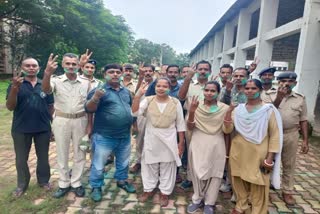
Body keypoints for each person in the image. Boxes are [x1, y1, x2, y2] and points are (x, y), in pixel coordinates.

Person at [223, 79, 282, 214]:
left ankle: (258, 210)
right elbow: (227, 130)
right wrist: (228, 112)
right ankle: (241, 206)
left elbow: (274, 135)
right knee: (238, 179)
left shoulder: (268, 110)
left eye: (253, 88)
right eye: (247, 88)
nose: (249, 91)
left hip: (259, 152)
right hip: (239, 150)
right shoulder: (238, 109)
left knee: (259, 183)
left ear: (260, 90)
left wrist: (269, 158)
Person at [42, 52, 91, 198]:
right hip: (61, 120)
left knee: (80, 152)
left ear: (78, 65)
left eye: (74, 64)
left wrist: (89, 126)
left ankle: (76, 182)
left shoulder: (85, 82)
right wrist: (47, 73)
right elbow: (45, 90)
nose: (71, 66)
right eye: (67, 63)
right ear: (63, 65)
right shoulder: (55, 80)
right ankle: (63, 183)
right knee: (62, 153)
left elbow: (88, 105)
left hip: (81, 120)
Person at [85, 64, 136, 202]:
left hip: (124, 135)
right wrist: (96, 97)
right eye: (111, 72)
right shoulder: (99, 91)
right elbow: (89, 109)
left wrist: (133, 126)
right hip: (104, 135)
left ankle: (122, 181)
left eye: (118, 72)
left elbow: (129, 108)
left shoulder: (125, 91)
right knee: (99, 163)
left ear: (121, 74)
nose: (115, 74)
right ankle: (96, 186)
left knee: (124, 161)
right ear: (105, 74)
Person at [132, 78, 185, 207]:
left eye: (164, 86)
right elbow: (134, 112)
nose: (161, 88)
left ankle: (165, 192)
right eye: (158, 86)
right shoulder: (148, 100)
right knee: (149, 164)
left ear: (169, 88)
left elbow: (180, 124)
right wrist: (138, 96)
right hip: (152, 137)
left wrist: (181, 143)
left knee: (168, 166)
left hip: (169, 139)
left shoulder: (175, 102)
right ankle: (148, 190)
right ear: (155, 87)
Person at [6, 58, 54, 197]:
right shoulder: (16, 84)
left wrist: (50, 126)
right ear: (22, 68)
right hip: (21, 128)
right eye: (28, 65)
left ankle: (44, 181)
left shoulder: (44, 84)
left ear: (39, 68)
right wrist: (15, 88)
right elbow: (10, 107)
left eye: (34, 66)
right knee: (21, 159)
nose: (31, 68)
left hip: (43, 128)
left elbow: (50, 106)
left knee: (43, 157)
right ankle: (22, 184)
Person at [263, 71, 309, 205]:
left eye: (290, 82)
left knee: (289, 163)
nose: (286, 84)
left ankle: (287, 191)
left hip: (291, 134)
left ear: (295, 83)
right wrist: (279, 97)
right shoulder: (268, 95)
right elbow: (269, 112)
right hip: (271, 133)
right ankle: (266, 189)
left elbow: (304, 119)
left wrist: (305, 140)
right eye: (283, 81)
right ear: (278, 82)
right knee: (268, 161)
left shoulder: (300, 98)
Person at [186, 81, 229, 214]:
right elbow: (190, 127)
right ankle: (197, 199)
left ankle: (210, 203)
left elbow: (228, 130)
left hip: (217, 141)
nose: (209, 93)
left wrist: (228, 150)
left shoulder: (225, 108)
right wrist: (192, 111)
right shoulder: (195, 105)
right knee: (197, 171)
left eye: (213, 91)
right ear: (203, 91)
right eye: (207, 90)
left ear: (218, 92)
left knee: (215, 173)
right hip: (198, 140)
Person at [178, 60, 212, 189]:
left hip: (209, 123)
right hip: (191, 121)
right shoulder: (190, 85)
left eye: (205, 69)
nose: (203, 71)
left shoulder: (215, 86)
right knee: (191, 151)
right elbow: (181, 97)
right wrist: (188, 78)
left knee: (207, 151)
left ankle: (206, 177)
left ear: (210, 71)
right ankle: (190, 177)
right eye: (200, 69)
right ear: (196, 70)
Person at [130, 64, 156, 173]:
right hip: (141, 115)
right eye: (146, 71)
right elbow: (134, 98)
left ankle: (152, 162)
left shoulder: (157, 84)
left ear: (153, 73)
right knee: (139, 139)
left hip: (154, 116)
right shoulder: (139, 83)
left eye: (150, 71)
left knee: (153, 140)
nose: (148, 73)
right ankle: (138, 162)